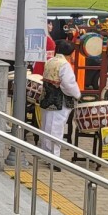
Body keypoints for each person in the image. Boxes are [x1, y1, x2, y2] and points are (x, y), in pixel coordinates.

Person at [38, 40, 81, 171]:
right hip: (59, 101)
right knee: (56, 129)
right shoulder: (64, 65)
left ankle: (46, 155)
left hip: (47, 98)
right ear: (70, 53)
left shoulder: (50, 61)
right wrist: (77, 95)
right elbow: (68, 84)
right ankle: (54, 159)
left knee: (46, 127)